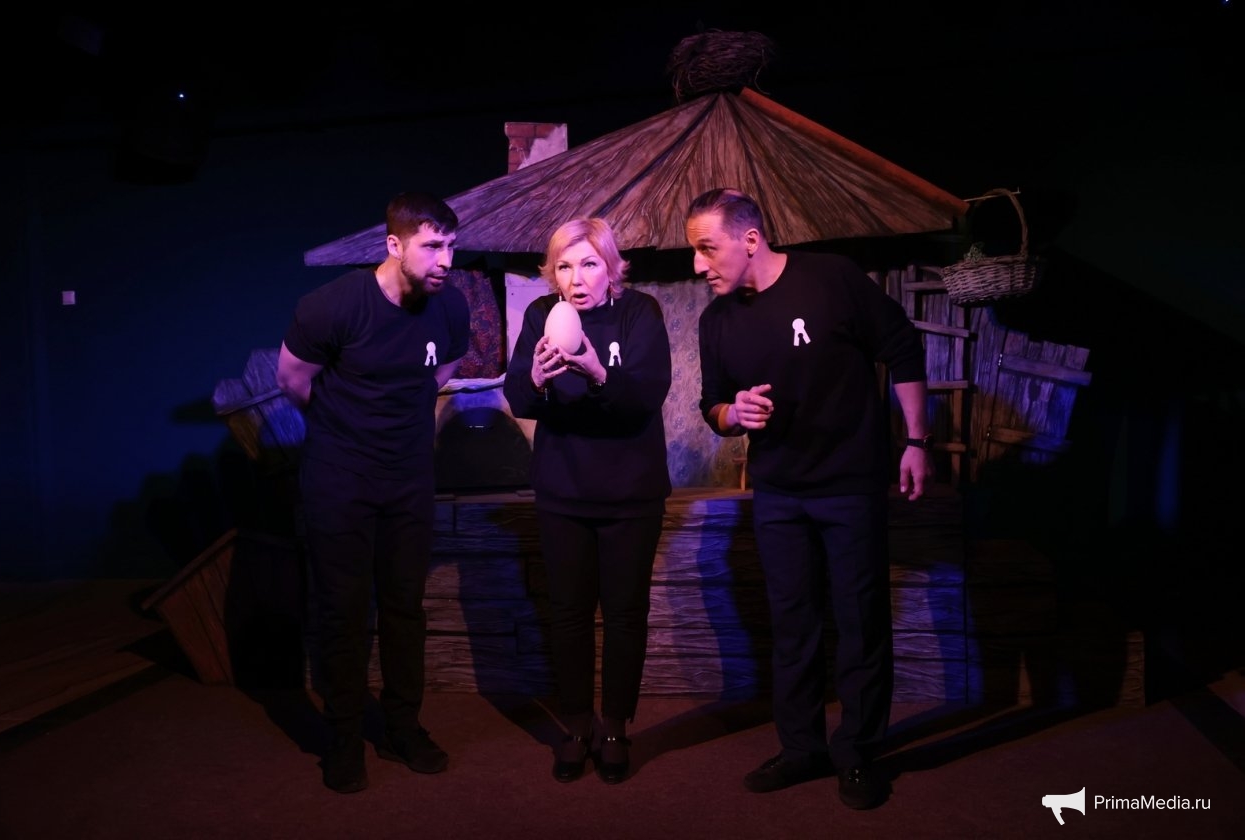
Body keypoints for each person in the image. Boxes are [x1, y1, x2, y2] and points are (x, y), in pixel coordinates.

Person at [685, 188, 933, 810]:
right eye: (694, 251)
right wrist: (734, 412)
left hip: (850, 485)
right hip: (778, 493)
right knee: (792, 624)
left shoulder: (831, 278)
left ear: (750, 239)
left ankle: (858, 753)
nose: (697, 264)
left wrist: (916, 441)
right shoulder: (716, 321)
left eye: (706, 248)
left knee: (860, 620)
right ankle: (801, 748)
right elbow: (712, 405)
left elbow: (902, 346)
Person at [276, 191, 470, 794]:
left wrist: (398, 426)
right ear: (393, 245)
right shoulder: (333, 305)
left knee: (406, 608)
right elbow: (292, 379)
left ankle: (401, 728)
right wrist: (348, 427)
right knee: (343, 610)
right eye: (432, 246)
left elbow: (441, 371)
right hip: (340, 478)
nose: (445, 260)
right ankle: (342, 737)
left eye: (451, 246)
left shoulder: (450, 305)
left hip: (408, 478)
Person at [504, 218, 672, 785]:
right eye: (564, 266)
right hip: (564, 491)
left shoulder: (640, 312)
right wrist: (534, 377)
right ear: (553, 273)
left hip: (631, 493)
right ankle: (577, 725)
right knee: (569, 612)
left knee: (625, 613)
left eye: (589, 264)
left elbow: (646, 396)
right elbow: (520, 399)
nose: (576, 278)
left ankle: (616, 727)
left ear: (611, 267)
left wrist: (599, 373)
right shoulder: (540, 316)